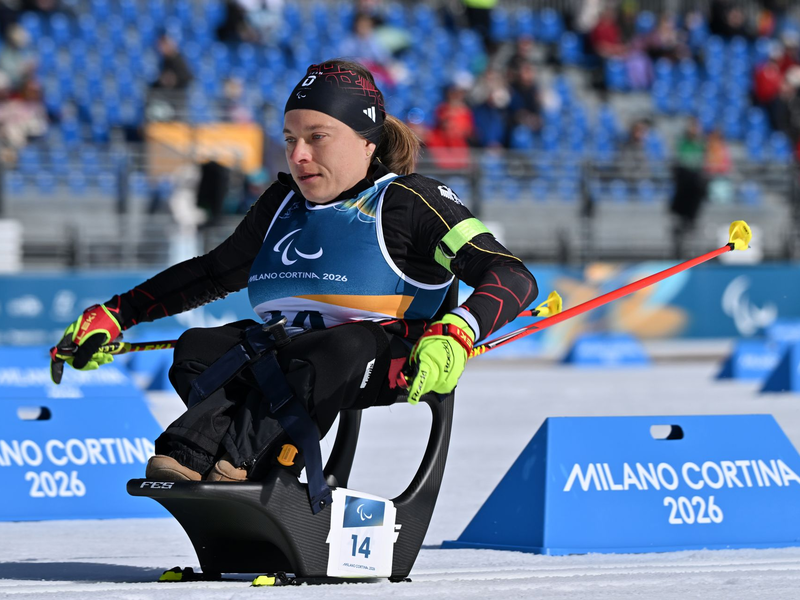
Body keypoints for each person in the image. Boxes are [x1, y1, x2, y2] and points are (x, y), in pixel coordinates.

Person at [51, 60, 538, 486]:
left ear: (367, 143)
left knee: (332, 351)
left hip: (380, 358)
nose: (298, 154)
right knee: (198, 350)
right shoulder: (280, 203)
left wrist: (459, 330)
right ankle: (194, 456)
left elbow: (512, 275)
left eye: (317, 138)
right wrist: (117, 313)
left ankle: (251, 462)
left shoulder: (412, 200)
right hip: (285, 354)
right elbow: (212, 272)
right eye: (289, 139)